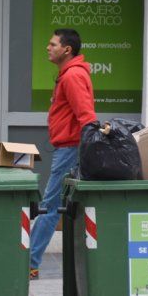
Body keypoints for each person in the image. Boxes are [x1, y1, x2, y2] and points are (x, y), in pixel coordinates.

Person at [29, 29, 97, 280]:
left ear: (66, 50)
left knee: (49, 205)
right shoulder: (69, 75)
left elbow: (86, 116)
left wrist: (87, 146)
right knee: (66, 205)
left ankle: (29, 262)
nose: (48, 48)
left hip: (70, 148)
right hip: (69, 147)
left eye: (52, 44)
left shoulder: (72, 77)